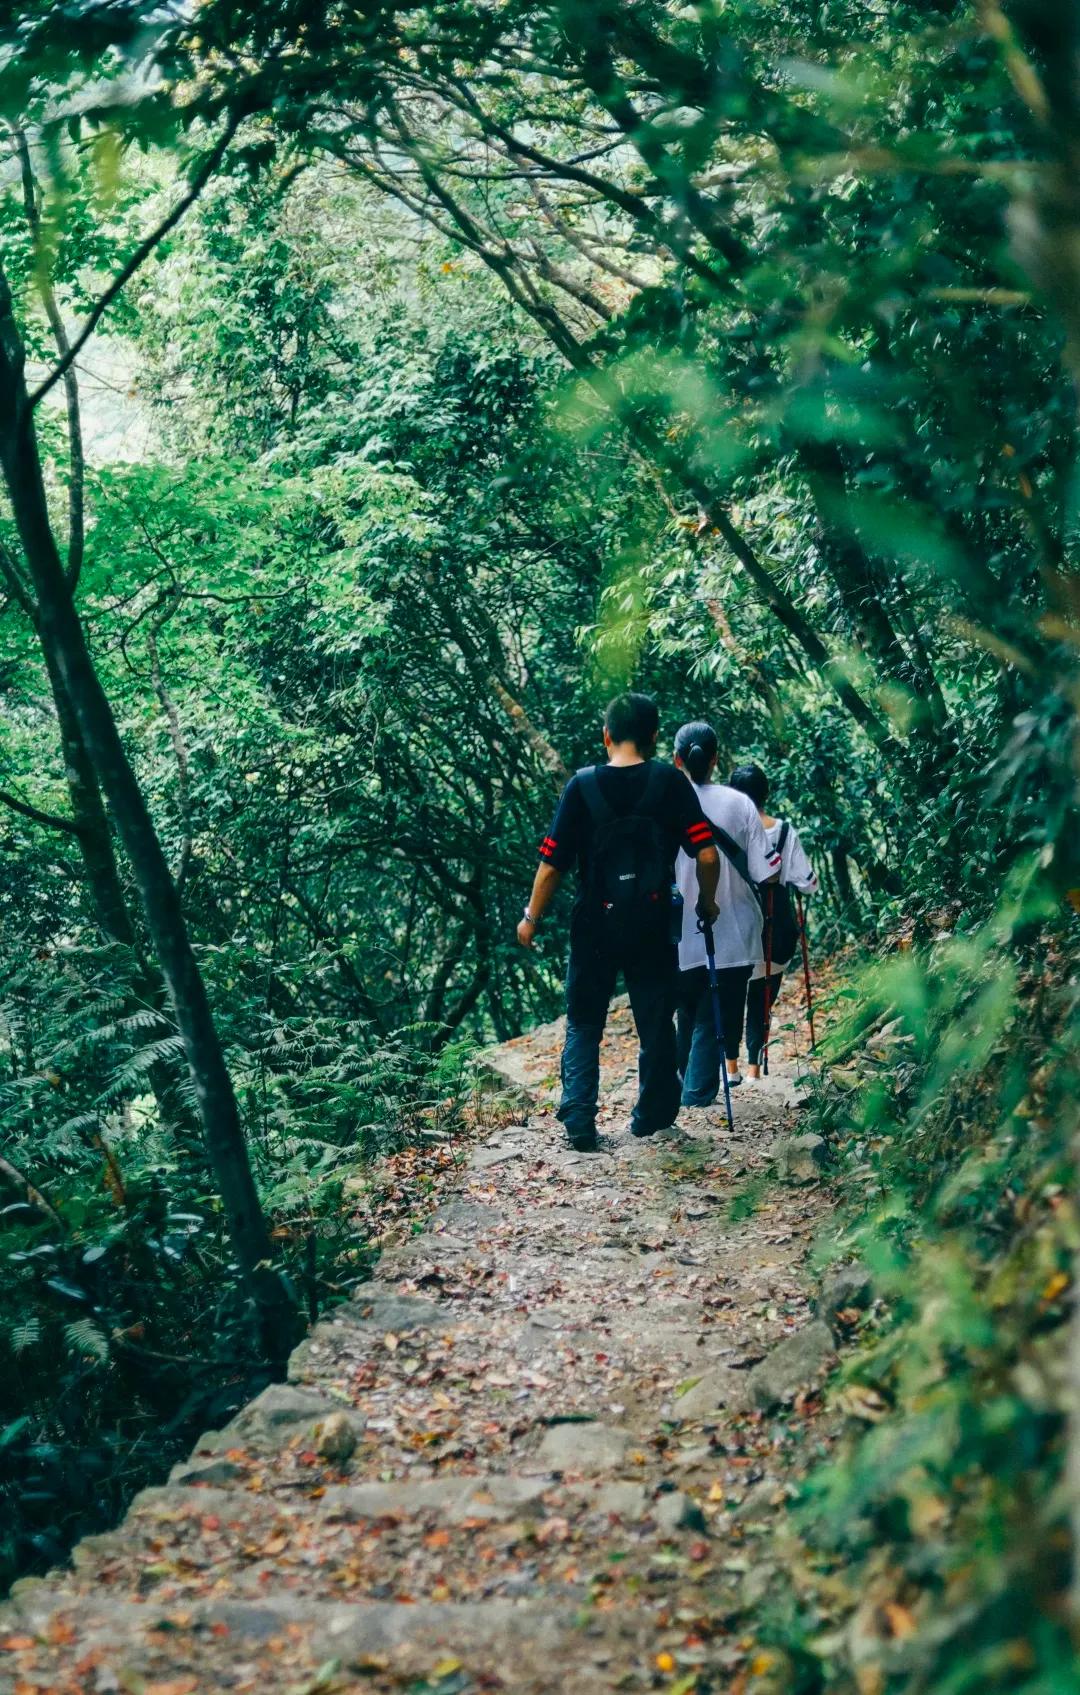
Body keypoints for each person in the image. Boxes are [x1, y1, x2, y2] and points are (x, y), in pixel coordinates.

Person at [517, 693, 720, 1151]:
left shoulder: (582, 786)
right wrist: (706, 903)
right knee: (655, 1020)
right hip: (651, 922)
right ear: (653, 738)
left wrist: (531, 918)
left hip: (594, 925)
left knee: (585, 1021)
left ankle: (580, 1121)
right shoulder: (670, 782)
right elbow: (706, 853)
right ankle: (652, 1117)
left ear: (606, 735)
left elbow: (552, 865)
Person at [672, 723, 781, 1106]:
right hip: (734, 931)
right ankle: (697, 1095)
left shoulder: (662, 804)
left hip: (679, 933)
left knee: (687, 1011)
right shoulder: (739, 804)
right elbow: (767, 871)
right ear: (716, 759)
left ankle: (678, 1088)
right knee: (715, 1016)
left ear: (676, 759)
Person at [728, 761, 818, 1079]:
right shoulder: (784, 832)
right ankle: (754, 1066)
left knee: (731, 995)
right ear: (767, 793)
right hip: (775, 932)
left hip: (735, 931)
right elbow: (807, 883)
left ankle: (732, 1067)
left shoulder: (725, 833)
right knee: (762, 998)